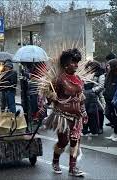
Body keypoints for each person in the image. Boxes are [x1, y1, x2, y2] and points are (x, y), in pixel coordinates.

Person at [44, 48, 88, 177]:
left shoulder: (79, 79)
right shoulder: (58, 80)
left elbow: (81, 97)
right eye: (73, 62)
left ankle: (72, 168)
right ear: (65, 64)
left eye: (77, 62)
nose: (76, 65)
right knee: (63, 141)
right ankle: (55, 161)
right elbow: (48, 96)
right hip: (62, 115)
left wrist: (84, 112)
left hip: (77, 116)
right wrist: (50, 96)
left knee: (75, 141)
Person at [82, 61, 105, 135]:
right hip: (86, 96)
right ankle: (89, 128)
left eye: (90, 67)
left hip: (97, 96)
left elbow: (101, 86)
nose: (89, 68)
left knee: (99, 112)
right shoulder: (86, 74)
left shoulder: (100, 75)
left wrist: (92, 90)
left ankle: (99, 127)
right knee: (88, 113)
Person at [104, 59, 117, 139]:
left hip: (114, 99)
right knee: (108, 114)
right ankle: (116, 131)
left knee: (116, 116)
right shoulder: (108, 75)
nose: (107, 67)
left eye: (109, 65)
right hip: (108, 98)